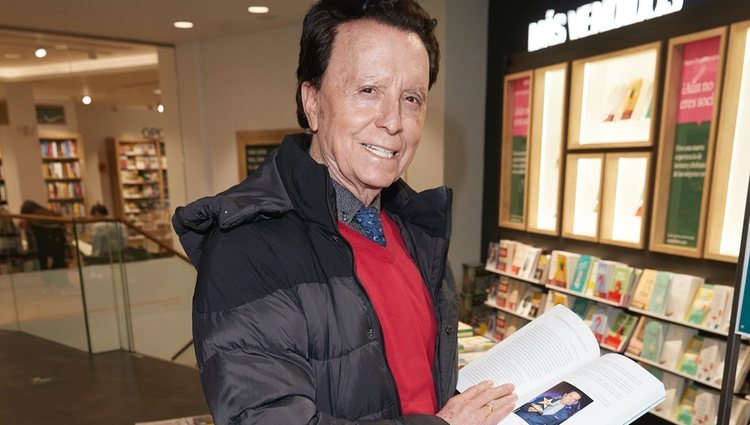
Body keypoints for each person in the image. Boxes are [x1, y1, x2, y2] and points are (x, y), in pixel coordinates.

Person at [172, 0, 517, 424]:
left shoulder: (415, 228)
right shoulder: (248, 245)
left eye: (411, 98)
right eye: (369, 90)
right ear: (312, 101)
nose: (393, 121)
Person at [20, 200, 67, 270]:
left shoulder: (36, 223)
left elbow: (41, 242)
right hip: (59, 250)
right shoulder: (50, 215)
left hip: (47, 254)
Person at [515, 391, 582, 425]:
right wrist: (528, 408)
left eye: (574, 399)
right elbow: (524, 404)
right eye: (570, 396)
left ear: (574, 402)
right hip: (517, 417)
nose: (570, 399)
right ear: (565, 394)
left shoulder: (563, 416)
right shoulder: (547, 397)